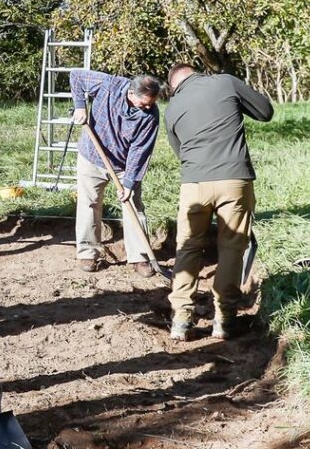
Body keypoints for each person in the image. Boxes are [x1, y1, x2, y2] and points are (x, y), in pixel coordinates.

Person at [164, 64, 274, 340]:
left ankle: (181, 318)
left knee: (188, 248)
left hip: (193, 185)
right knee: (231, 248)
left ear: (174, 86)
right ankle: (223, 319)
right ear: (197, 74)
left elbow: (180, 151)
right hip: (233, 180)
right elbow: (265, 111)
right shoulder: (225, 82)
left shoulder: (172, 108)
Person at [69, 69, 163, 276]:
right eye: (145, 103)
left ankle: (140, 257)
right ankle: (88, 253)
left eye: (151, 103)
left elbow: (140, 151)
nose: (148, 107)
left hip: (123, 164)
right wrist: (80, 107)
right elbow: (76, 76)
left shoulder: (150, 115)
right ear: (131, 93)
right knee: (89, 202)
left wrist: (129, 183)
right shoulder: (109, 85)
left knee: (133, 205)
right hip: (92, 155)